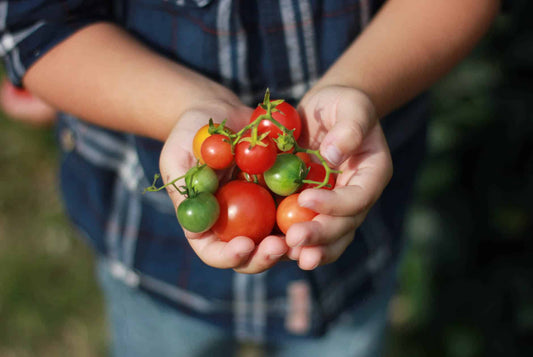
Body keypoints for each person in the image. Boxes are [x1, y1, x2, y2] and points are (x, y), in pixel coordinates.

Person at [0, 0, 501, 356]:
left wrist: (358, 89)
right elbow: (33, 26)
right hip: (152, 252)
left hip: (353, 256)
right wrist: (185, 108)